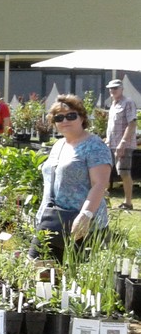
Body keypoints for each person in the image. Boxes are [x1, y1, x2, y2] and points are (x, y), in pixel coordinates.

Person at [28, 95, 111, 262]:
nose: (65, 120)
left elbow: (100, 183)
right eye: (59, 117)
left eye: (71, 115)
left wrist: (85, 215)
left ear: (82, 117)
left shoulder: (94, 146)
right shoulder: (59, 145)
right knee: (36, 268)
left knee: (76, 280)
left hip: (83, 225)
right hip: (53, 220)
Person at [105, 78, 137, 210]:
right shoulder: (113, 104)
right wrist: (107, 140)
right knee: (106, 171)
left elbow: (132, 124)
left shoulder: (128, 102)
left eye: (115, 88)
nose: (112, 91)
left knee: (124, 172)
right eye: (110, 89)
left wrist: (123, 142)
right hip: (111, 144)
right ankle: (104, 200)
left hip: (124, 145)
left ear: (121, 89)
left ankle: (128, 202)